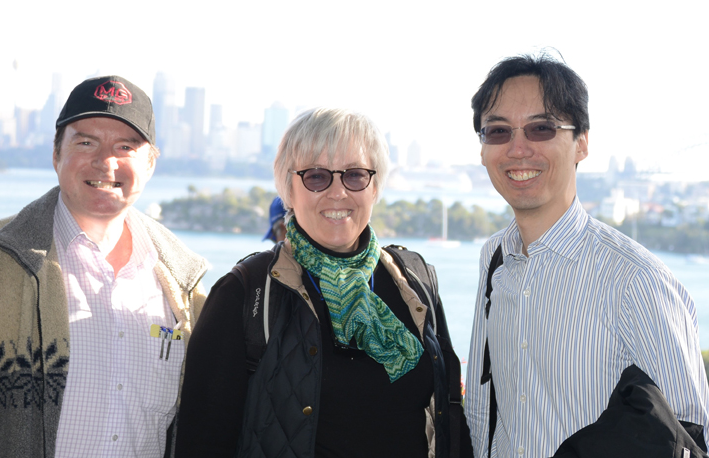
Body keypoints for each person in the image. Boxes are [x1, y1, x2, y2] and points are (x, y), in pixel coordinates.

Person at [0, 76, 208, 457]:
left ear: (150, 164)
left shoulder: (184, 289)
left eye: (125, 146)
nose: (106, 162)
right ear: (56, 155)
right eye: (86, 142)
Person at [174, 108, 471, 458]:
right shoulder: (246, 292)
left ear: (374, 187)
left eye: (355, 175)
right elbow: (201, 440)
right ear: (288, 188)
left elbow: (450, 411)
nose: (337, 192)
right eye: (316, 177)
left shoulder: (414, 280)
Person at [464, 53, 709, 458]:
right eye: (499, 131)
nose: (518, 149)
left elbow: (687, 435)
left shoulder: (636, 280)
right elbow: (480, 405)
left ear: (581, 143)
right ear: (483, 148)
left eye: (541, 128)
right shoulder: (494, 258)